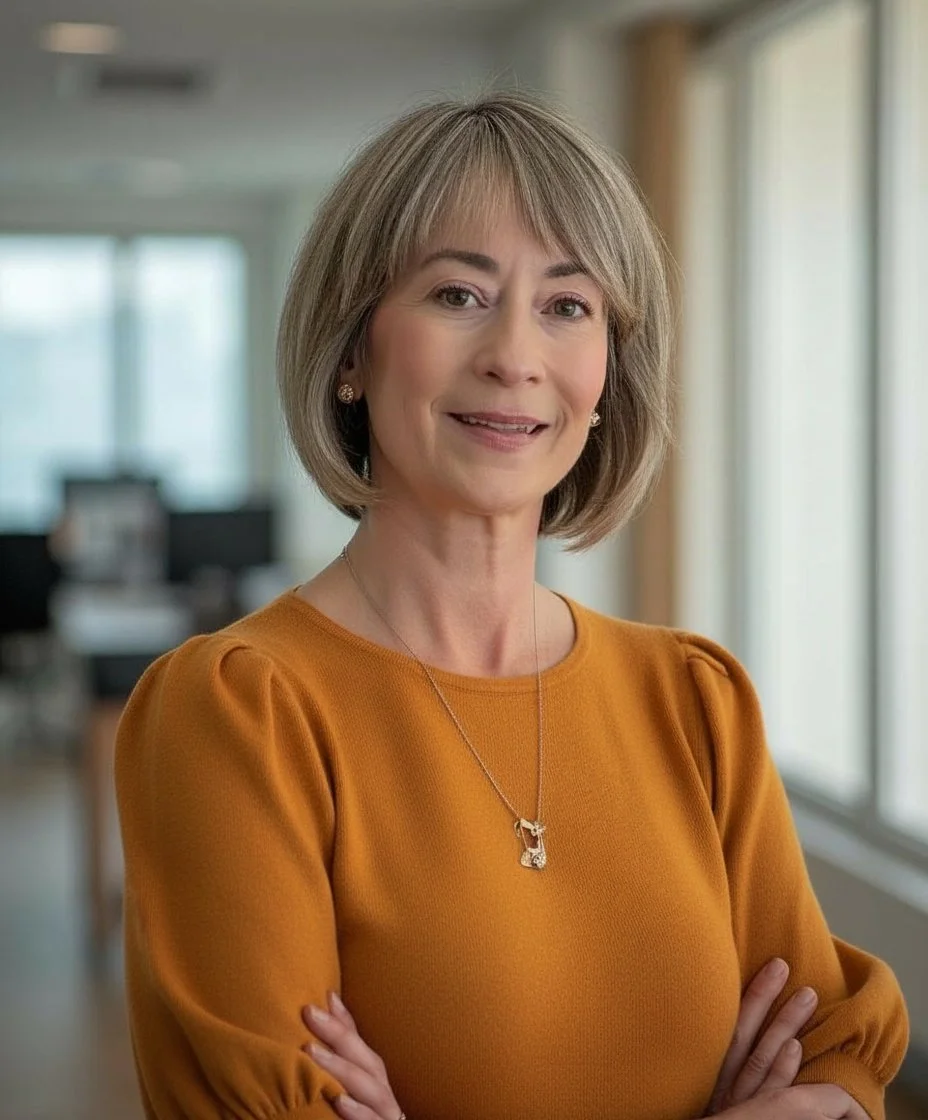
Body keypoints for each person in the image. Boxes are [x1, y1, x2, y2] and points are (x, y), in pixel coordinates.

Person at [115, 90, 909, 1120]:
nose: (515, 356)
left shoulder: (693, 699)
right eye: (458, 294)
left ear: (608, 370)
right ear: (351, 350)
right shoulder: (239, 710)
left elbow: (834, 1064)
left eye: (567, 306)